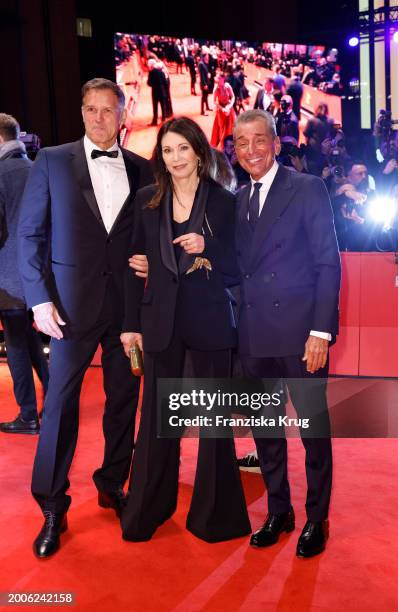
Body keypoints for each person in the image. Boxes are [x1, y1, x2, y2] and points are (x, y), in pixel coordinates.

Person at [18, 78, 153, 558]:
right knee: (59, 407)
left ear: (123, 115)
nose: (99, 118)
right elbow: (28, 236)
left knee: (123, 402)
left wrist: (153, 261)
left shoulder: (143, 169)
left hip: (128, 311)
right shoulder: (52, 161)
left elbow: (151, 235)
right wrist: (38, 300)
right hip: (68, 310)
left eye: (107, 110)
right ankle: (52, 504)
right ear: (81, 112)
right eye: (91, 110)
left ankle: (112, 481)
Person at [120, 116, 250, 543]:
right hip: (159, 323)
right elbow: (131, 265)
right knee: (158, 422)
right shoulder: (145, 200)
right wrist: (130, 326)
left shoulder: (224, 202)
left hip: (210, 322)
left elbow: (238, 268)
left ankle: (215, 517)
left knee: (213, 421)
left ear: (198, 152)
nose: (174, 158)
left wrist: (207, 246)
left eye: (182, 149)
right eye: (167, 150)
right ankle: (149, 510)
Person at [233, 110, 340, 558]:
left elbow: (327, 262)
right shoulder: (236, 199)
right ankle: (280, 510)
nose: (252, 150)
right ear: (234, 150)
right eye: (242, 143)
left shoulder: (306, 188)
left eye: (260, 141)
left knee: (313, 431)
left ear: (276, 144)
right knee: (265, 430)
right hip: (254, 335)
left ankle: (316, 517)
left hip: (301, 335)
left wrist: (321, 331)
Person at [0, 113, 49, 435]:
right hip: (38, 274)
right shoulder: (37, 169)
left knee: (15, 342)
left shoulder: (0, 173)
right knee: (28, 338)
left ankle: (28, 415)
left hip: (7, 274)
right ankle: (55, 400)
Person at [210, 74, 236, 149]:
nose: (220, 81)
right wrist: (222, 108)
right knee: (221, 128)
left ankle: (231, 145)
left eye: (221, 79)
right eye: (218, 79)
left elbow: (233, 97)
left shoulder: (228, 86)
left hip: (229, 109)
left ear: (223, 79)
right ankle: (222, 145)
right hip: (221, 111)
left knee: (231, 127)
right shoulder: (216, 89)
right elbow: (214, 102)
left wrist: (229, 106)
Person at [147, 59, 168, 126]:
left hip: (155, 92)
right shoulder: (161, 72)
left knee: (155, 108)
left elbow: (149, 83)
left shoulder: (151, 72)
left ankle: (155, 121)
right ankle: (164, 119)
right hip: (162, 91)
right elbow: (165, 82)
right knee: (163, 106)